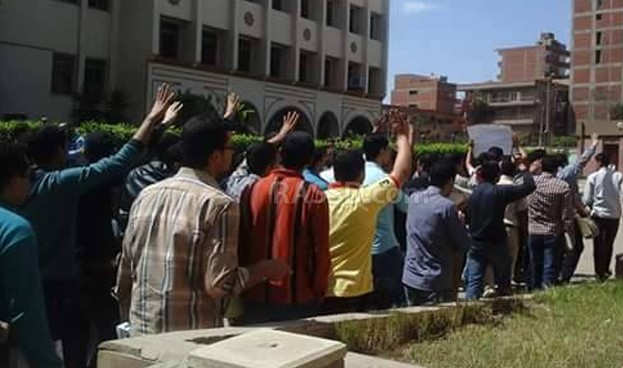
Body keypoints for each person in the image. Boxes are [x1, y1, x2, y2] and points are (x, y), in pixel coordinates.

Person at [20, 83, 176, 366]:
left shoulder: (24, 186)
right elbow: (118, 163)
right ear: (57, 151)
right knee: (78, 347)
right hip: (63, 286)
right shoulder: (61, 183)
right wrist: (152, 120)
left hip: (29, 285)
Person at [115, 115, 290, 336]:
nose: (233, 154)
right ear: (216, 156)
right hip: (190, 334)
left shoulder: (147, 195)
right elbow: (220, 284)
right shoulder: (220, 205)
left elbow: (126, 268)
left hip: (142, 332)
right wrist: (267, 269)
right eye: (231, 148)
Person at [324, 113, 413, 313]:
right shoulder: (366, 199)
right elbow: (402, 173)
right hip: (357, 286)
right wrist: (403, 137)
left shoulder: (319, 198)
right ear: (361, 174)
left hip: (324, 287)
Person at [239, 132, 330, 323]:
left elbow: (242, 240)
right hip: (298, 296)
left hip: (254, 292)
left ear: (280, 154)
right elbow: (320, 249)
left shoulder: (252, 189)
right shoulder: (313, 194)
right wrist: (319, 289)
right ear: (309, 160)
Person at [0, 142, 63, 367]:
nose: (30, 183)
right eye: (28, 176)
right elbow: (27, 315)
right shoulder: (15, 230)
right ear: (13, 181)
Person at [74, 133, 123, 367]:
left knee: (82, 334)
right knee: (106, 330)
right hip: (102, 264)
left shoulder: (75, 179)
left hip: (78, 265)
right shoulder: (109, 181)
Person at [464, 160, 535, 300]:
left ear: (480, 175)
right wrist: (524, 170)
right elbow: (529, 187)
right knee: (503, 280)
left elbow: (468, 216)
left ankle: (470, 306)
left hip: (476, 241)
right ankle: (505, 305)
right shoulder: (500, 191)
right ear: (497, 176)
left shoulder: (474, 193)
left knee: (474, 281)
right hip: (497, 241)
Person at [403, 159, 470, 306]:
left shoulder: (414, 198)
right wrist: (461, 223)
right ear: (450, 181)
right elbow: (463, 243)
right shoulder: (447, 206)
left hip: (411, 276)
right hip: (435, 280)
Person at [362, 133, 410, 309]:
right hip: (384, 246)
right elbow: (406, 206)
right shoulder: (382, 179)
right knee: (394, 301)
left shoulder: (355, 174)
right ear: (382, 151)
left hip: (359, 247)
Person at [557, 133, 599, 284]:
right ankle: (564, 276)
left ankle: (556, 273)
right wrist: (593, 144)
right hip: (570, 216)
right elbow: (582, 161)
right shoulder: (567, 173)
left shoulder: (543, 176)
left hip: (552, 216)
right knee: (576, 246)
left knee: (557, 247)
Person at [528, 155, 574, 290]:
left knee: (535, 263)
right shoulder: (562, 186)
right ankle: (547, 290)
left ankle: (534, 289)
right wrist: (569, 232)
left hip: (533, 229)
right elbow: (566, 214)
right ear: (557, 168)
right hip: (553, 230)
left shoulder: (531, 183)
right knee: (550, 264)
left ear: (541, 167)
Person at [583, 153, 623, 281]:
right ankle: (605, 268)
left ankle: (598, 272)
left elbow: (587, 199)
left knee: (598, 243)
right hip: (614, 215)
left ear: (598, 162)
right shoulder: (618, 176)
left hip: (598, 215)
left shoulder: (592, 177)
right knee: (609, 243)